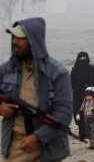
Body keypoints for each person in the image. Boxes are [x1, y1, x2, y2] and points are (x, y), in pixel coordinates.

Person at [0, 17, 72, 161]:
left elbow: (64, 114)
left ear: (33, 41)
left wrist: (38, 137)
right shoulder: (6, 69)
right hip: (14, 148)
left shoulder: (57, 73)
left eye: (20, 38)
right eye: (14, 37)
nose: (14, 41)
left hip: (47, 150)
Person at [70, 51, 94, 141]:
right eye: (81, 58)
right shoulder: (74, 71)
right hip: (77, 95)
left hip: (90, 96)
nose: (83, 60)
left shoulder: (92, 69)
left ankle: (86, 133)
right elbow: (70, 84)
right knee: (77, 113)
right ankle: (82, 130)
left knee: (89, 114)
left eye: (84, 58)